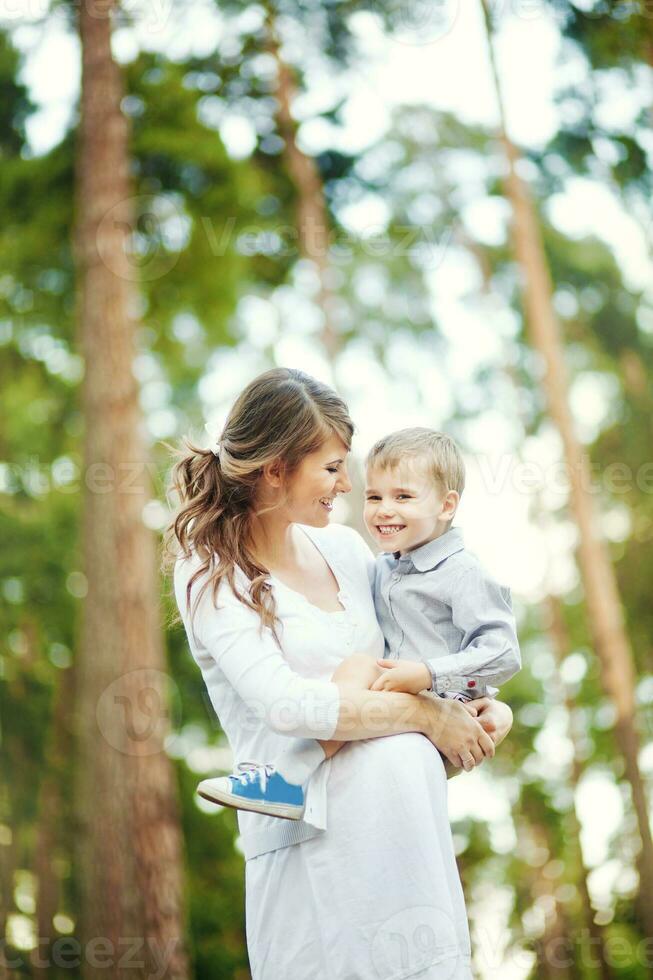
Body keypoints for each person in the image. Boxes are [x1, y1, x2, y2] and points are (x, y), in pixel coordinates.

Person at [167, 367, 512, 979]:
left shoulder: (351, 553)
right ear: (276, 467)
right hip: (311, 854)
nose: (346, 485)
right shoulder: (212, 572)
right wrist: (426, 714)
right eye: (331, 467)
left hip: (409, 834)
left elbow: (406, 662)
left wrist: (474, 707)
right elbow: (288, 708)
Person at [199, 426, 519, 819]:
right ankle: (287, 779)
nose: (384, 509)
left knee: (362, 669)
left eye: (403, 496)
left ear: (446, 506)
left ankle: (288, 777)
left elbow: (502, 651)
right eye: (374, 496)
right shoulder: (382, 568)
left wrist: (430, 676)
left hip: (451, 708)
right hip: (397, 719)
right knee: (359, 667)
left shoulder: (463, 572)